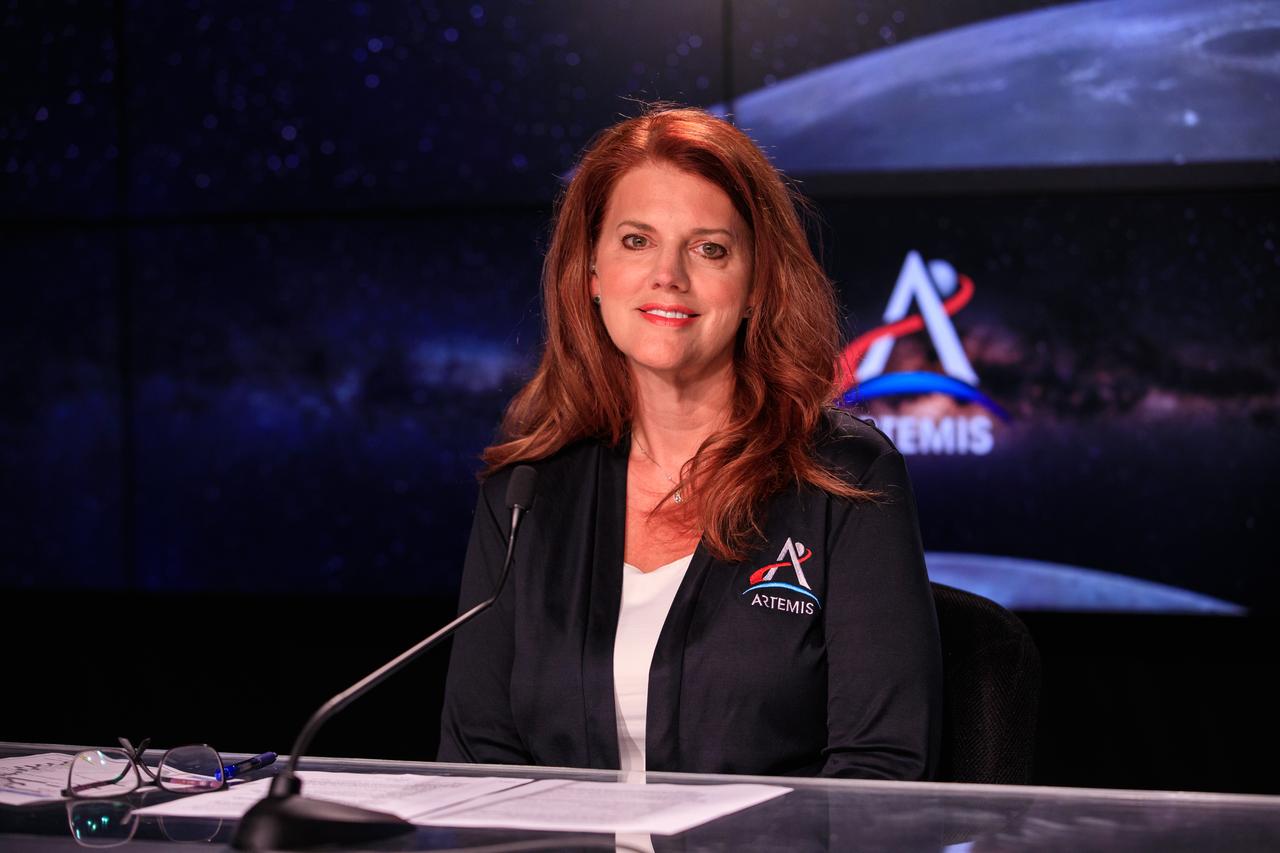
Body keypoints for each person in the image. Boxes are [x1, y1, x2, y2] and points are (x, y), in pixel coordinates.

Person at [438, 106, 941, 779]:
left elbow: (880, 771)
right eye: (636, 240)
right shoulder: (526, 487)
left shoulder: (844, 479)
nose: (667, 274)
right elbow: (475, 759)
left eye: (709, 248)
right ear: (591, 272)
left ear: (757, 285)